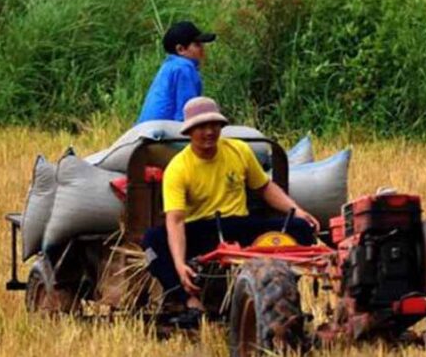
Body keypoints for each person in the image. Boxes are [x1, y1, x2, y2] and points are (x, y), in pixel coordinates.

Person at [142, 96, 320, 326]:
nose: (209, 132)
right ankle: (190, 302)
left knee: (302, 229)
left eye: (214, 126)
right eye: (202, 127)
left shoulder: (239, 151)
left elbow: (264, 187)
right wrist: (179, 264)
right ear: (189, 132)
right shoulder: (178, 168)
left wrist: (296, 211)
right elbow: (175, 221)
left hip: (238, 226)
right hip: (202, 230)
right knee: (151, 244)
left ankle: (279, 294)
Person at [137, 21, 216, 123]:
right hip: (162, 133)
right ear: (180, 49)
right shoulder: (184, 68)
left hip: (145, 130)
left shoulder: (169, 66)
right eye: (197, 45)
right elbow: (187, 112)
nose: (202, 48)